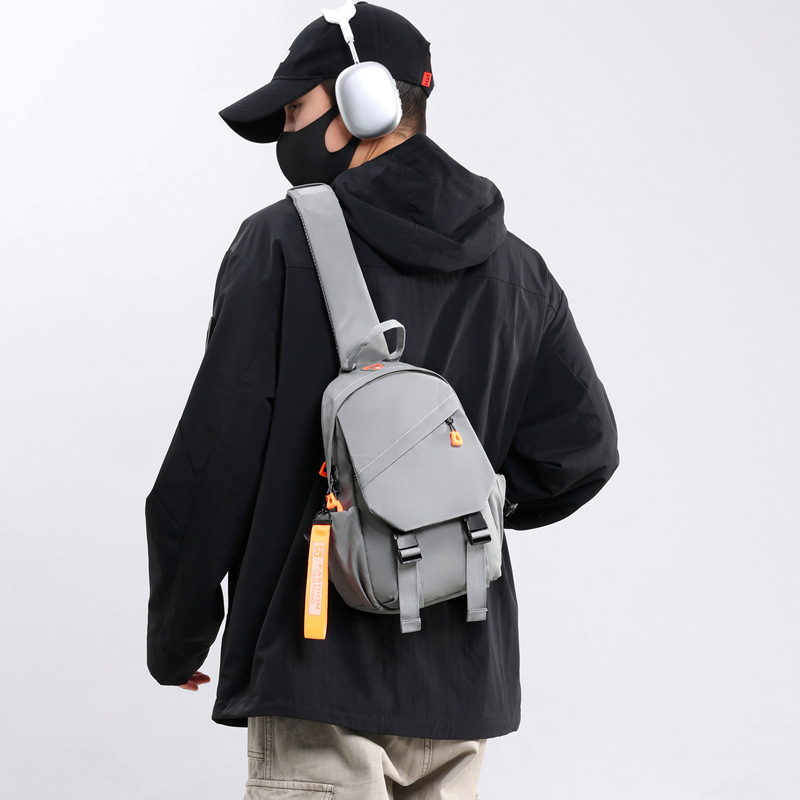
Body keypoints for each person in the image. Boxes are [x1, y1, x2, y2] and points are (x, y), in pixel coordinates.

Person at [145, 2, 619, 797]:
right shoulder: (519, 271)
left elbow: (211, 464)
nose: (286, 135)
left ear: (358, 101)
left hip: (314, 669)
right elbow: (583, 451)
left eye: (294, 110)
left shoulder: (280, 244)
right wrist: (452, 513)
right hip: (459, 683)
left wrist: (179, 636)